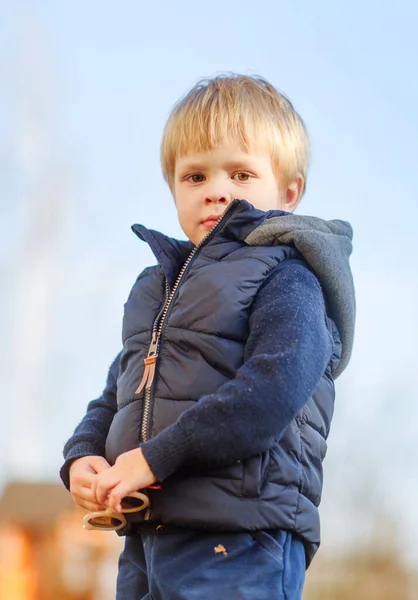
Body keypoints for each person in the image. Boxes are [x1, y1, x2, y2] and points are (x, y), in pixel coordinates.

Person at [60, 74, 356, 600]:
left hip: (241, 537)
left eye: (241, 173)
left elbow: (269, 395)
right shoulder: (159, 290)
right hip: (149, 536)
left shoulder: (289, 277)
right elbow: (116, 392)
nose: (217, 189)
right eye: (195, 176)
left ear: (288, 192)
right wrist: (83, 454)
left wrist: (156, 457)